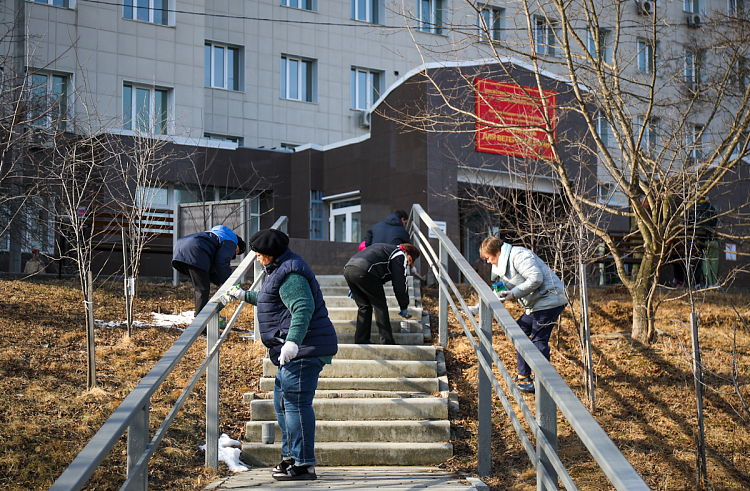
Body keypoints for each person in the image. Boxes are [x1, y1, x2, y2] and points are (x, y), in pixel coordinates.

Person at [226, 229, 338, 481]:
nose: (255, 258)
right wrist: (244, 295)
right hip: (296, 349)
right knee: (282, 404)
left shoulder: (292, 274)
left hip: (305, 349)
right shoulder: (279, 270)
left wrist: (293, 343)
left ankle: (304, 464)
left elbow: (302, 307)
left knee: (296, 405)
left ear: (270, 254)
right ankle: (291, 457)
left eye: (258, 254)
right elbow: (271, 299)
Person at [479, 237, 567, 394]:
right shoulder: (501, 267)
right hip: (536, 303)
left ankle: (543, 385)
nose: (488, 262)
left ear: (497, 253)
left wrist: (513, 294)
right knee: (519, 332)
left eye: (488, 258)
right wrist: (478, 307)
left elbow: (536, 278)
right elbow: (499, 291)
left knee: (539, 340)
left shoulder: (518, 255)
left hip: (550, 299)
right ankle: (524, 376)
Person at [343, 243, 420, 345]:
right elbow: (400, 283)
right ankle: (387, 341)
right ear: (407, 253)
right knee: (380, 306)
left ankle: (361, 340)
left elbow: (378, 271)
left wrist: (355, 287)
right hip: (366, 271)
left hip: (349, 269)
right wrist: (404, 305)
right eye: (409, 260)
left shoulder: (385, 250)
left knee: (364, 306)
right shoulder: (399, 254)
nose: (408, 264)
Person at [172, 225, 245, 315]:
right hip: (196, 250)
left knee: (200, 286)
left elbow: (210, 272)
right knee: (202, 289)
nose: (234, 254)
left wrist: (222, 284)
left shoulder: (214, 236)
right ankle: (200, 324)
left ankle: (200, 319)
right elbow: (222, 263)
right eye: (236, 251)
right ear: (237, 245)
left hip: (180, 247)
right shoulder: (231, 241)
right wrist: (230, 284)